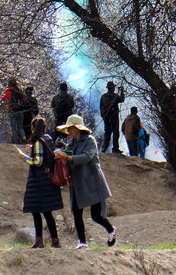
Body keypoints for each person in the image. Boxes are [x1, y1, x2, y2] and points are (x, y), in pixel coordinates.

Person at [54, 114, 117, 249]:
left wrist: (69, 158)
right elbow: (66, 154)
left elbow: (87, 157)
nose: (69, 131)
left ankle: (111, 230)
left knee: (96, 216)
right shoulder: (72, 143)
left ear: (77, 128)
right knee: (76, 213)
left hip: (92, 183)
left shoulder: (90, 141)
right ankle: (82, 242)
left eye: (71, 128)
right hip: (76, 183)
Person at [19, 117, 64, 248]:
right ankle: (55, 241)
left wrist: (24, 158)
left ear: (33, 129)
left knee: (36, 211)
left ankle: (40, 241)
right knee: (46, 212)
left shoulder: (39, 142)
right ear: (44, 128)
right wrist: (33, 148)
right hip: (48, 182)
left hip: (39, 183)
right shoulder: (48, 140)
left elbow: (37, 161)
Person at [99, 82, 125, 154]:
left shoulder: (103, 96)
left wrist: (103, 116)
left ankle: (104, 148)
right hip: (114, 116)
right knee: (115, 132)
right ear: (113, 88)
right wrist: (122, 91)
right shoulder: (115, 96)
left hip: (106, 117)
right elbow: (122, 99)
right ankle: (115, 148)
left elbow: (100, 107)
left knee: (107, 132)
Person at [1, 79, 27, 143]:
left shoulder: (8, 92)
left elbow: (2, 99)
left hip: (12, 111)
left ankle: (15, 141)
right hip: (20, 111)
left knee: (13, 127)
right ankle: (24, 137)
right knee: (20, 127)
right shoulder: (20, 91)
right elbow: (24, 98)